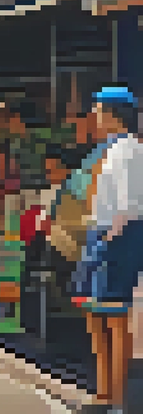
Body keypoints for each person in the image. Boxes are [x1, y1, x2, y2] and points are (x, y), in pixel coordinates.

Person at [74, 87, 143, 413]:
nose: (95, 117)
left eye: (99, 111)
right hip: (101, 232)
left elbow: (130, 205)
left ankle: (117, 400)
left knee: (115, 316)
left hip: (116, 235)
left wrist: (108, 237)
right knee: (94, 312)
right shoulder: (110, 149)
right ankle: (103, 392)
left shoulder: (128, 151)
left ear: (113, 114)